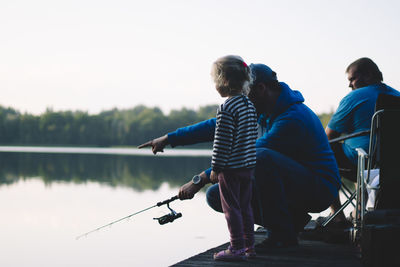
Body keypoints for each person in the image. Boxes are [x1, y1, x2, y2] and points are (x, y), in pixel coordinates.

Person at [139, 62, 341, 253]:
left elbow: (249, 155)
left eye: (244, 93)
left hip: (319, 188)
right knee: (217, 194)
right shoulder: (259, 110)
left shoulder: (293, 118)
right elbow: (216, 125)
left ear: (261, 89)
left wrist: (200, 179)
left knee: (261, 157)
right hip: (292, 183)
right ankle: (290, 221)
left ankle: (282, 237)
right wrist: (169, 138)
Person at [318, 57, 400, 226]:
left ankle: (338, 217)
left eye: (352, 79)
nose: (350, 85)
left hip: (365, 162)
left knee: (324, 151)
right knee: (362, 155)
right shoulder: (396, 96)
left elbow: (326, 138)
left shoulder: (355, 97)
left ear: (368, 75)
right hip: (393, 165)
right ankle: (358, 212)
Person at [207, 56, 258, 261]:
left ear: (224, 82)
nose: (215, 86)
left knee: (231, 209)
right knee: (246, 206)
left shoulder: (226, 108)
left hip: (230, 168)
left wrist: (215, 168)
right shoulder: (249, 106)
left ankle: (236, 248)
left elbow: (222, 143)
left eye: (215, 82)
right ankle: (249, 247)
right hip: (248, 166)